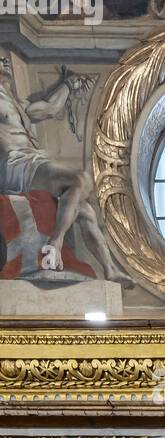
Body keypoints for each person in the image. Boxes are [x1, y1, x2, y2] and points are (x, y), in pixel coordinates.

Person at [0, 55, 129, 284]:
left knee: (84, 208)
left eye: (5, 59)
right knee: (78, 179)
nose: (5, 62)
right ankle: (55, 243)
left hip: (31, 161)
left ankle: (109, 269)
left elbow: (50, 108)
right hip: (13, 165)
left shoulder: (19, 104)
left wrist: (69, 85)